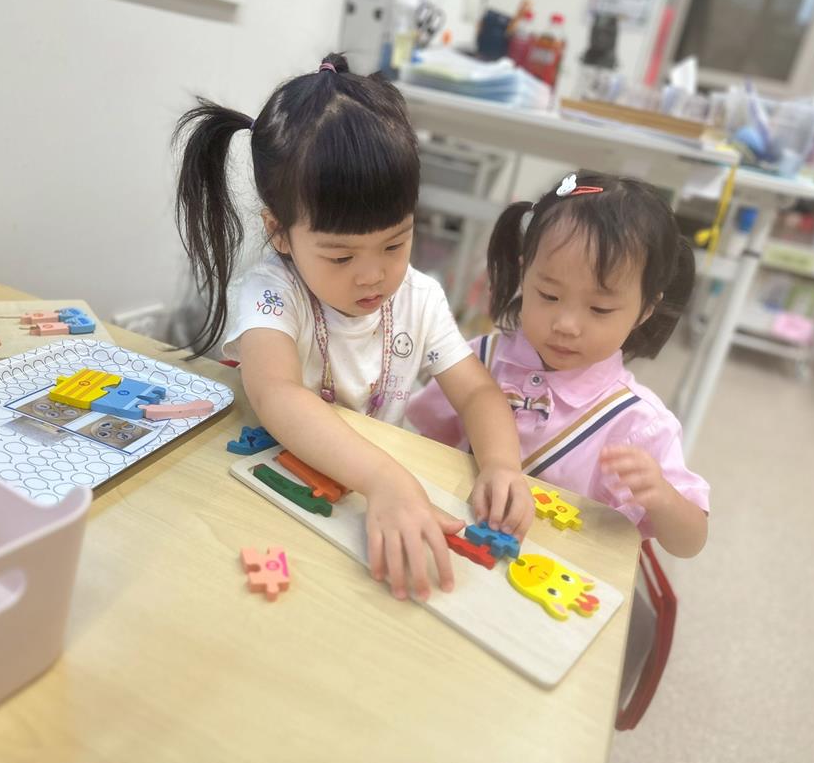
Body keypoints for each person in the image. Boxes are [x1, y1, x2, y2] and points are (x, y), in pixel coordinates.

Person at [174, 54, 534, 600]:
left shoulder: (419, 296)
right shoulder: (271, 292)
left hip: (360, 505)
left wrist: (504, 465)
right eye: (341, 257)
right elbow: (276, 394)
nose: (373, 275)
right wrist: (384, 479)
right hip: (273, 494)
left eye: (395, 243)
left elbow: (478, 393)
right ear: (280, 233)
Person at [408, 172, 708, 557]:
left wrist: (663, 498)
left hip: (556, 579)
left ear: (645, 310)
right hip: (456, 552)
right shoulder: (479, 359)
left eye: (599, 308)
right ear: (524, 274)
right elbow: (423, 446)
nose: (566, 325)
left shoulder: (639, 422)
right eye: (549, 295)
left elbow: (690, 542)